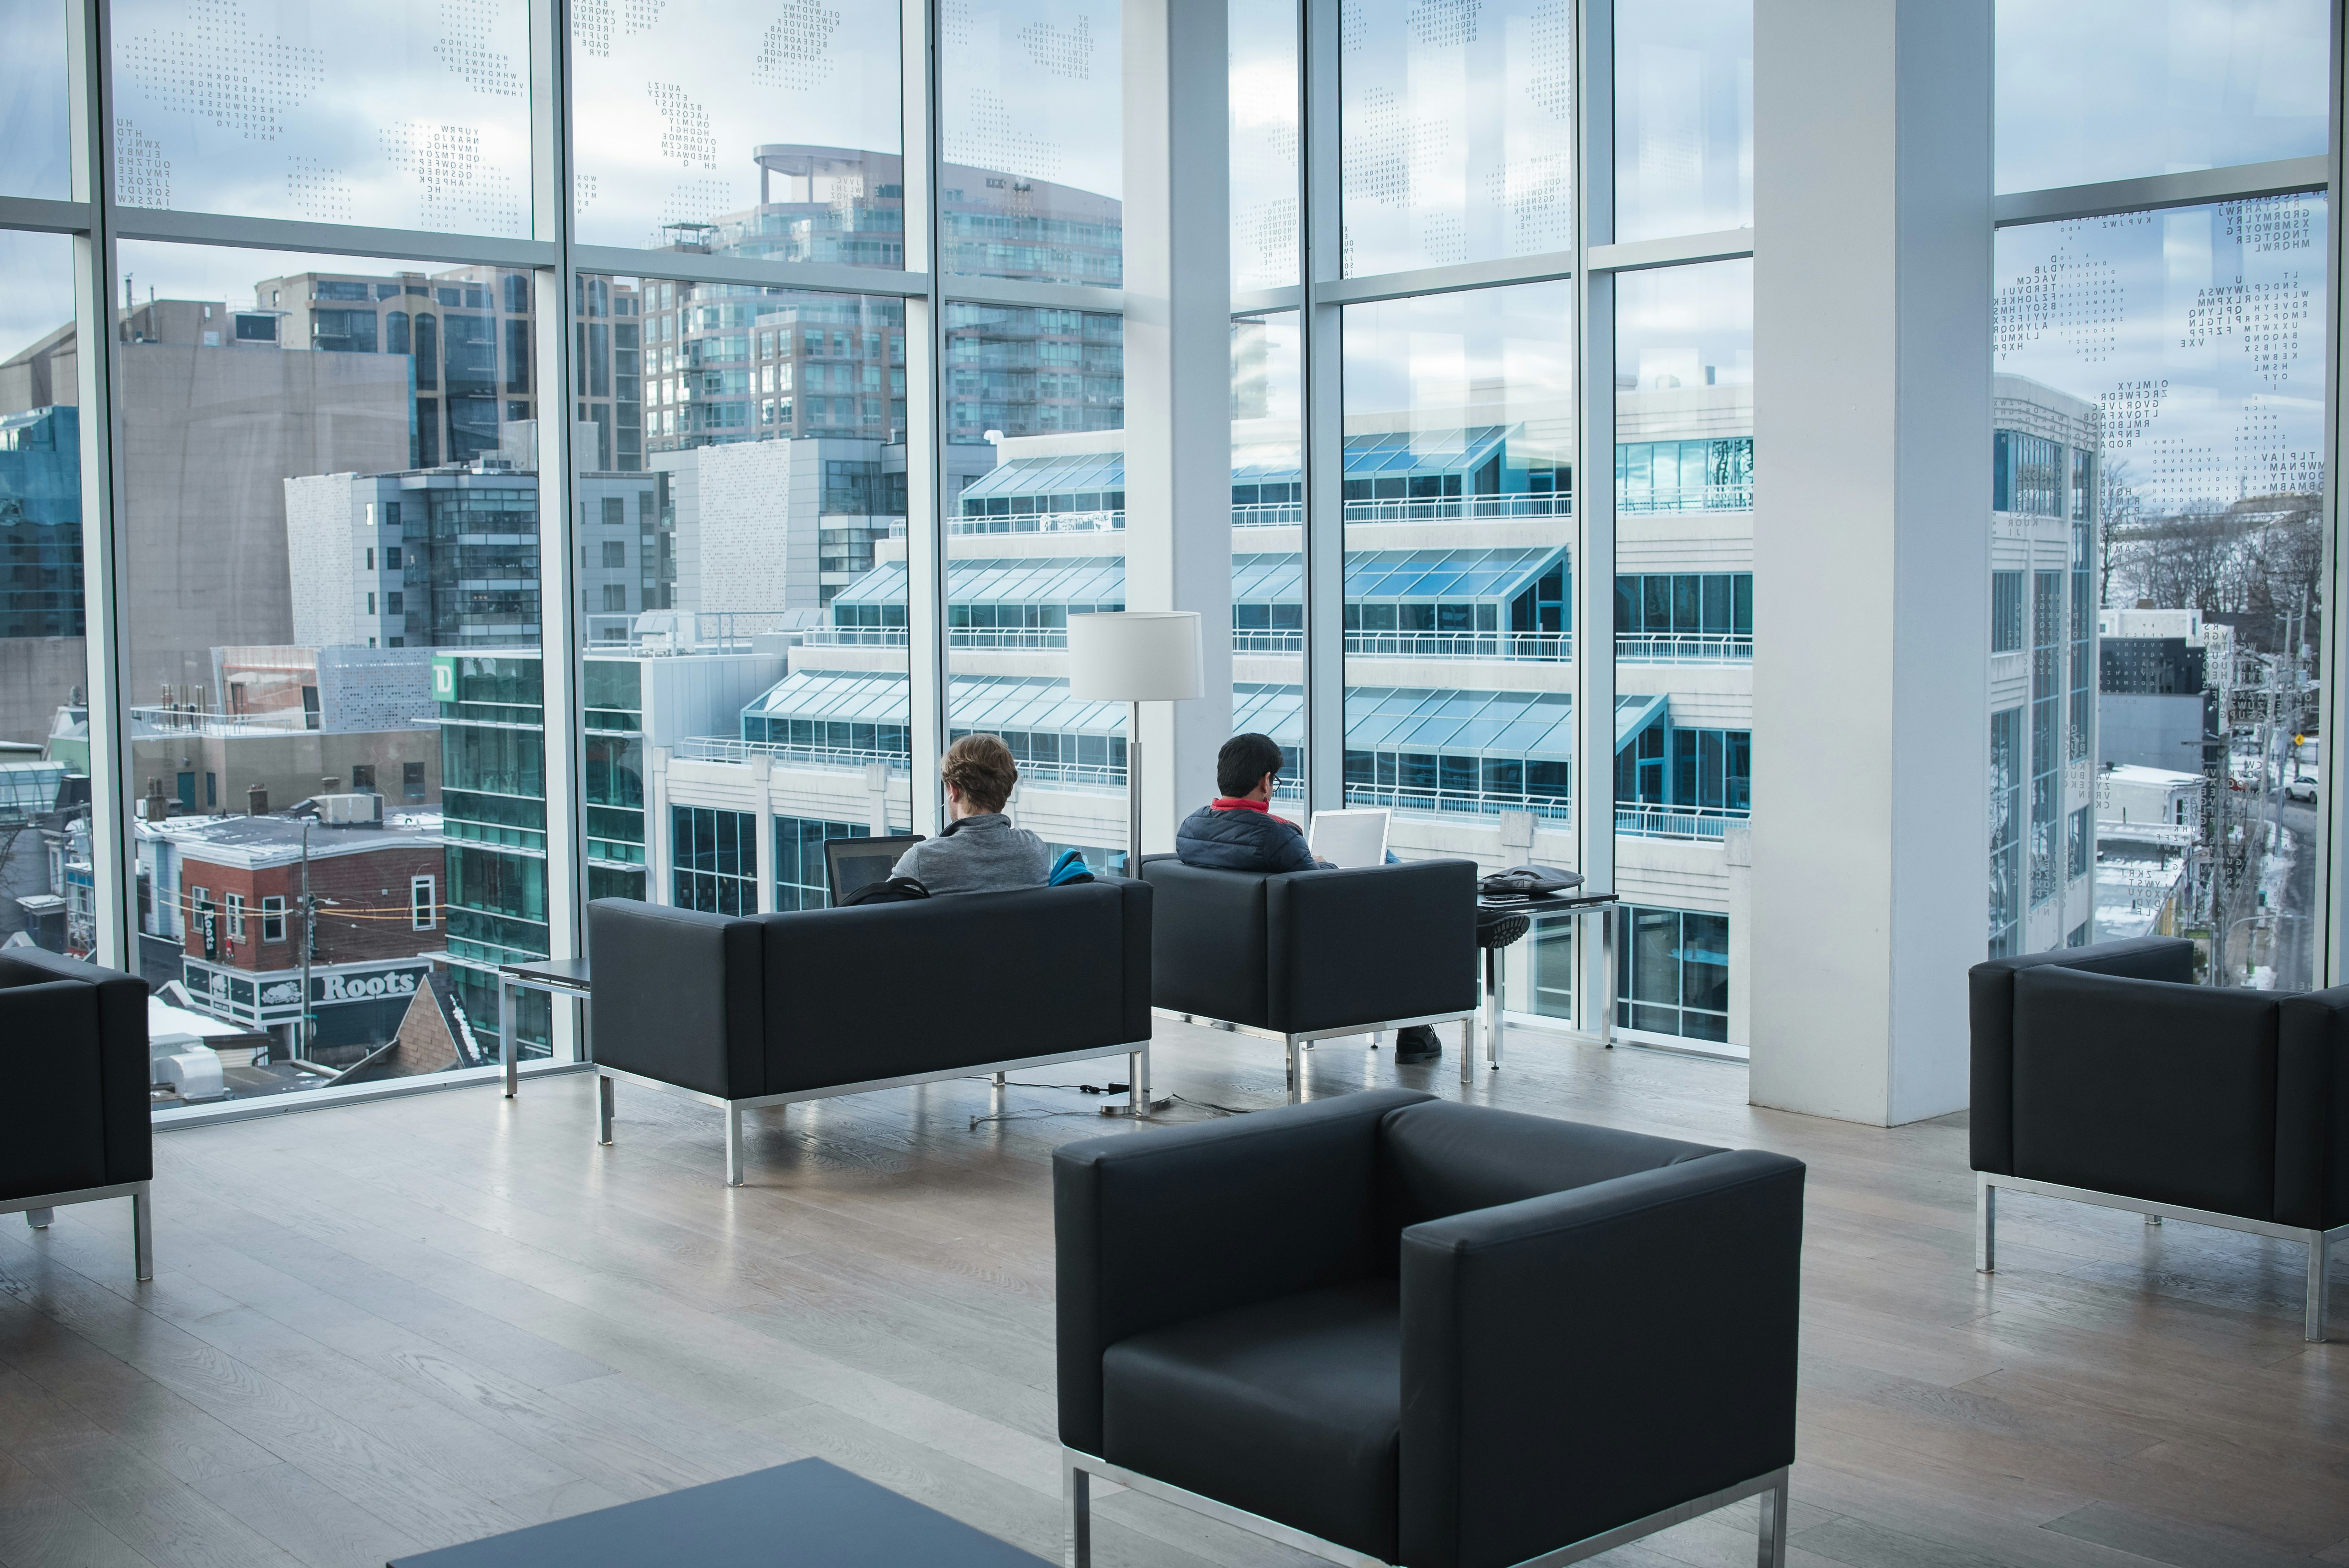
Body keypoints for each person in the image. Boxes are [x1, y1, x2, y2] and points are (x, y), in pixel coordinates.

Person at [1176, 733, 1445, 1063]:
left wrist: (1309, 861)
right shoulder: (1276, 835)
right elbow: (1319, 895)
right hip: (1310, 958)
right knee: (1398, 880)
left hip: (1226, 959)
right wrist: (1324, 863)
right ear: (1265, 781)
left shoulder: (1191, 829)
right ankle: (1416, 1031)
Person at [889, 734, 1052, 895]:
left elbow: (874, 914)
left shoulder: (922, 859)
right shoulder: (1034, 849)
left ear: (954, 790)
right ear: (1007, 790)